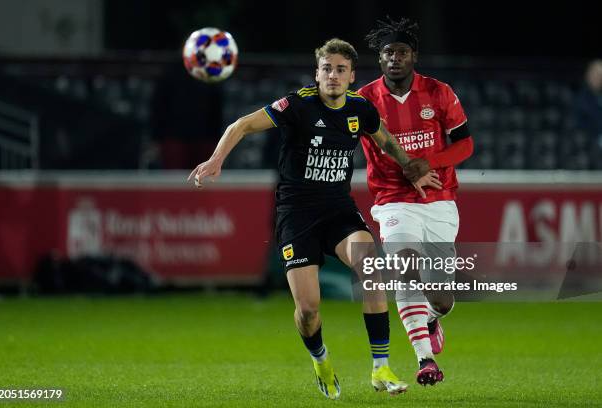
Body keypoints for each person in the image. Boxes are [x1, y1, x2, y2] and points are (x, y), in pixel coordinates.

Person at [189, 38, 441, 399]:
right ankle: (321, 360)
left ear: (352, 76)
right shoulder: (297, 104)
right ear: (317, 73)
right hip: (296, 214)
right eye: (327, 69)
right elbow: (241, 125)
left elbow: (384, 139)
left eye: (341, 70)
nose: (333, 76)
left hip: (338, 210)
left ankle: (380, 366)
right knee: (308, 310)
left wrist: (410, 168)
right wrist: (215, 161)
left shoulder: (360, 109)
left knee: (371, 270)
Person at [358, 17, 474, 386]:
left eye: (402, 52)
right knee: (404, 267)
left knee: (441, 298)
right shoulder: (364, 99)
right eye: (388, 52)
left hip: (439, 198)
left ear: (414, 57)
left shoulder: (439, 92)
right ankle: (425, 361)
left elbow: (466, 144)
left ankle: (431, 319)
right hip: (393, 200)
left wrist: (428, 163)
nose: (395, 58)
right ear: (380, 60)